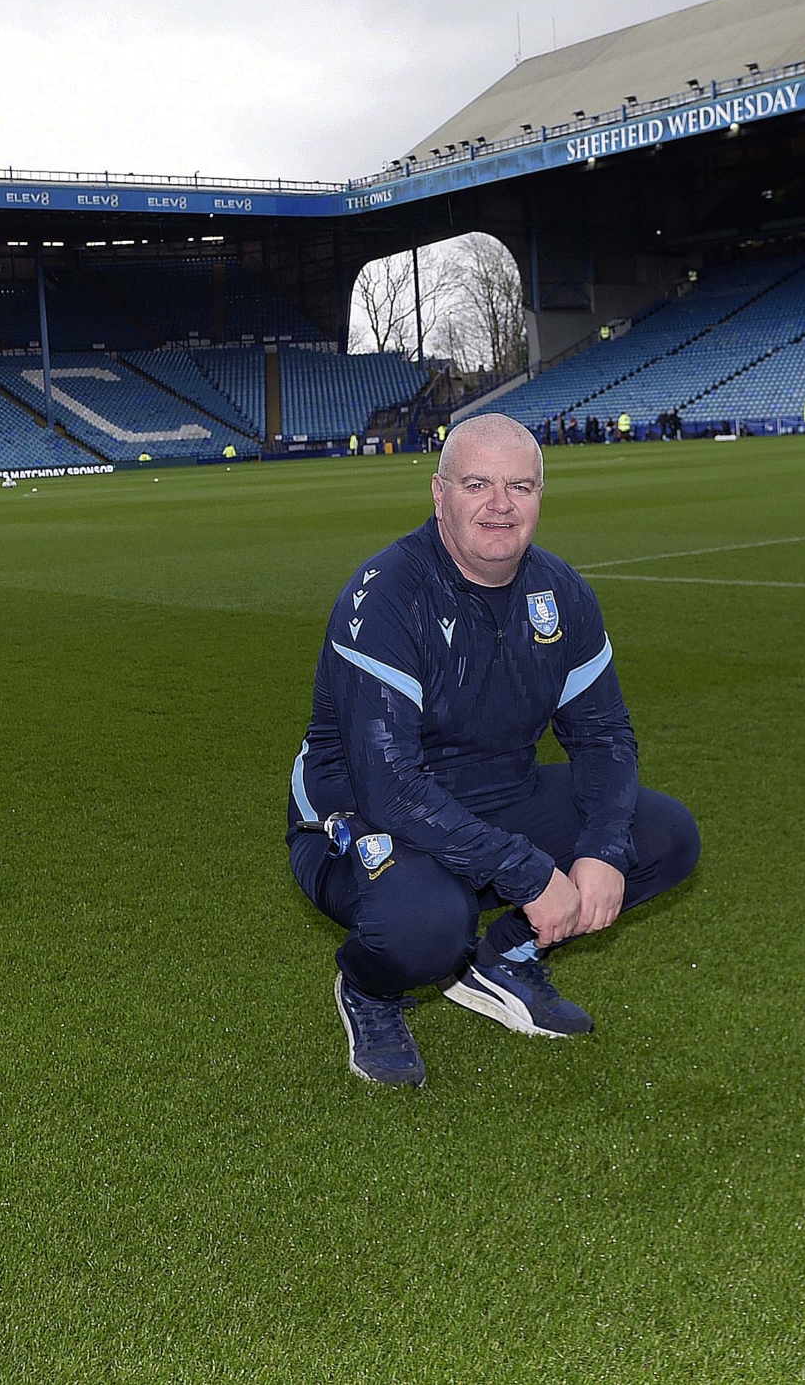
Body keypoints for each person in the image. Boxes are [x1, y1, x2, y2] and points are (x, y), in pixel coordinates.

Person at [286, 414, 701, 1086]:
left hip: (496, 796)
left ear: (541, 496)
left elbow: (603, 736)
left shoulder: (561, 593)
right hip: (361, 815)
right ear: (439, 492)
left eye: (521, 485)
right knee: (424, 925)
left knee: (664, 835)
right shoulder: (388, 594)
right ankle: (370, 989)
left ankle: (505, 959)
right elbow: (389, 785)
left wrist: (601, 845)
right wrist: (529, 872)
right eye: (477, 483)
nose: (500, 504)